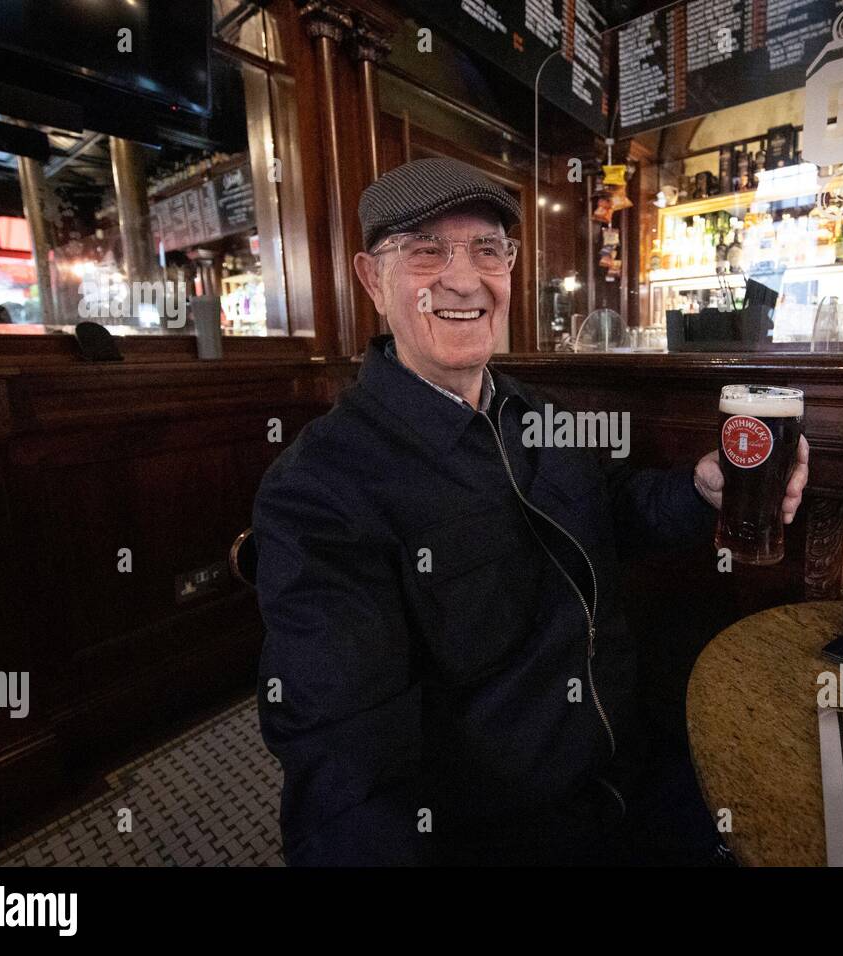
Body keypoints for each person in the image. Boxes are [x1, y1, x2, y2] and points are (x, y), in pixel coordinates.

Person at [254, 156, 810, 865]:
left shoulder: (536, 412)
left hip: (634, 768)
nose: (464, 278)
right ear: (372, 279)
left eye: (489, 249)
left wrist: (699, 492)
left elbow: (611, 510)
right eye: (425, 250)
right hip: (507, 834)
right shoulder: (321, 489)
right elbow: (343, 758)